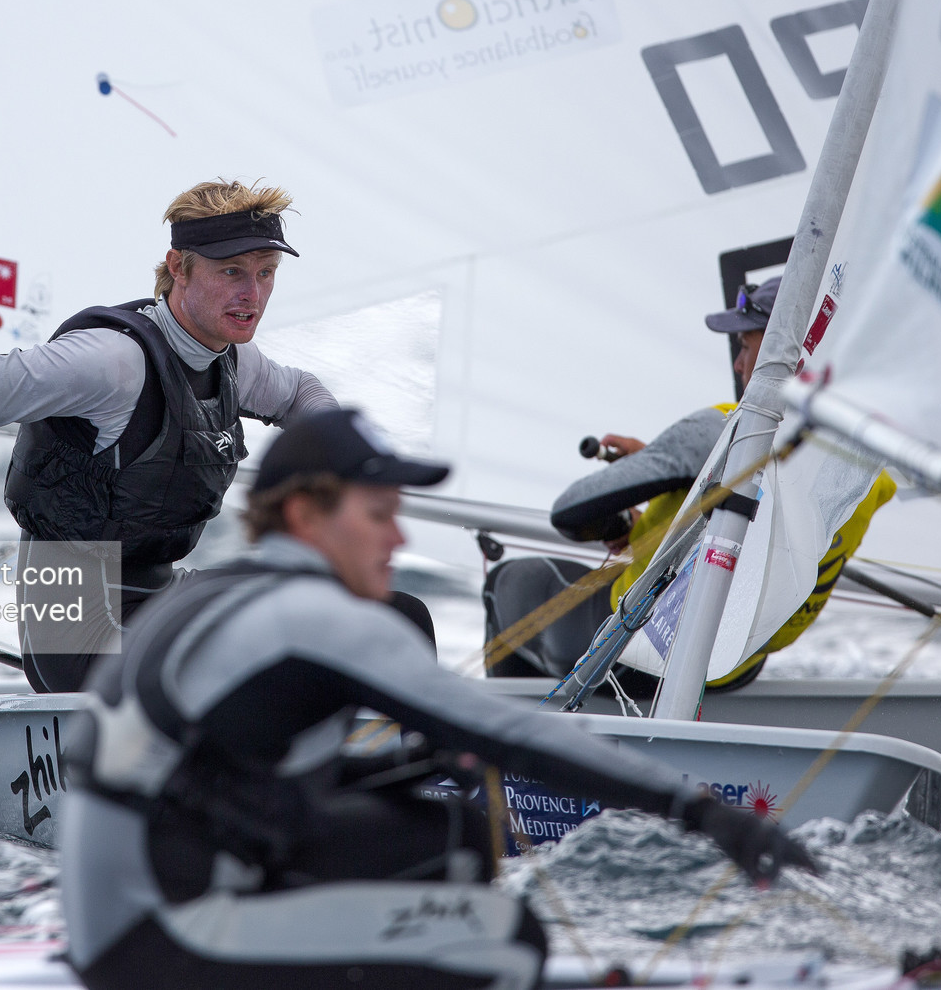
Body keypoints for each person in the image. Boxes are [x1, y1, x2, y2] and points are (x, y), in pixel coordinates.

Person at [61, 408, 814, 990]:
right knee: (507, 939)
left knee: (452, 836)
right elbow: (511, 734)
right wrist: (702, 812)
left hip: (128, 907)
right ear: (305, 518)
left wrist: (361, 775)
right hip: (163, 937)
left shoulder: (219, 594)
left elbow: (211, 776)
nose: (397, 541)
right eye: (379, 515)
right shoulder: (314, 617)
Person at [0, 180, 341, 694]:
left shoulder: (233, 360)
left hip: (159, 598)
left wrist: (344, 470)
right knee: (247, 666)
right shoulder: (109, 364)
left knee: (385, 613)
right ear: (178, 267)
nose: (252, 294)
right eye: (232, 272)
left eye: (266, 274)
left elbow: (301, 393)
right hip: (76, 631)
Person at [484, 276, 896, 690]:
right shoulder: (865, 470)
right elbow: (768, 519)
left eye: (747, 346)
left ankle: (510, 740)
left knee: (506, 581)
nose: (738, 363)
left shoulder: (722, 428)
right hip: (734, 665)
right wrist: (677, 479)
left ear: (788, 355)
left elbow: (572, 513)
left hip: (638, 653)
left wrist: (621, 520)